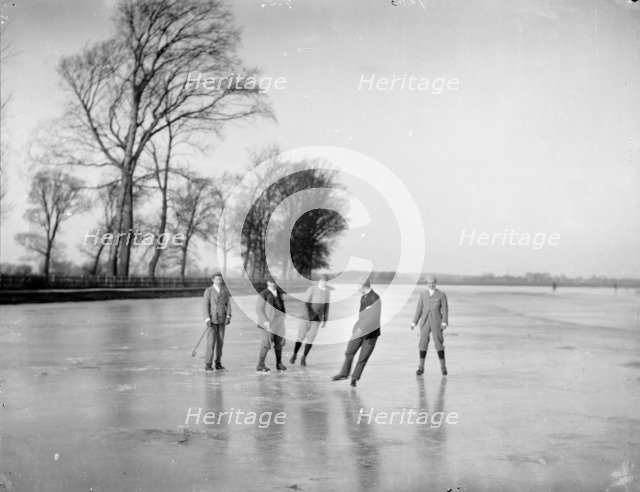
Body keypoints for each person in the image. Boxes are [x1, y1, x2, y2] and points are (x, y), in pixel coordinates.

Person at [332, 279, 381, 387]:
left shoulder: (375, 298)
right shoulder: (363, 297)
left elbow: (373, 318)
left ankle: (354, 378)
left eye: (358, 286)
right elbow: (361, 315)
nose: (357, 289)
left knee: (363, 357)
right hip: (359, 331)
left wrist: (362, 327)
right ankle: (344, 373)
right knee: (349, 351)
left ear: (363, 286)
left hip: (370, 335)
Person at [410, 274, 448, 376]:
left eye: (433, 283)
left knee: (438, 343)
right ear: (426, 284)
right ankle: (421, 368)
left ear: (435, 283)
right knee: (423, 343)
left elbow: (444, 310)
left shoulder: (441, 295)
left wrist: (444, 322)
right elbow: (419, 309)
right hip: (425, 322)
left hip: (437, 322)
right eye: (429, 283)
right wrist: (414, 322)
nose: (431, 285)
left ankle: (443, 368)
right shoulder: (423, 295)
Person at [290, 274, 331, 366]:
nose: (324, 282)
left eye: (325, 281)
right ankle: (294, 354)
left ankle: (304, 357)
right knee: (301, 337)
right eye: (322, 280)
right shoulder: (312, 289)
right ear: (319, 281)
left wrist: (325, 320)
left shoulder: (327, 292)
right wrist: (307, 315)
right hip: (306, 317)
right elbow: (305, 303)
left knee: (310, 339)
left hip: (317, 318)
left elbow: (327, 307)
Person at [256, 276, 287, 373]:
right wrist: (265, 320)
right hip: (267, 323)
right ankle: (260, 365)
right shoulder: (263, 294)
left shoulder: (279, 293)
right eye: (271, 282)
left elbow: (282, 307)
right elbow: (259, 309)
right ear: (268, 283)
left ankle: (279, 363)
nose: (273, 284)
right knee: (266, 343)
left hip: (279, 322)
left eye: (275, 282)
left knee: (279, 343)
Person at [201, 272, 232, 371]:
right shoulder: (208, 291)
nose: (219, 281)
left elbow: (229, 305)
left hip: (222, 320)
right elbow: (205, 305)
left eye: (220, 279)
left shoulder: (224, 291)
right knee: (211, 343)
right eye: (217, 279)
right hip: (212, 320)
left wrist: (228, 316)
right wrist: (207, 318)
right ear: (213, 280)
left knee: (220, 342)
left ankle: (218, 363)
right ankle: (208, 364)